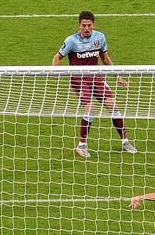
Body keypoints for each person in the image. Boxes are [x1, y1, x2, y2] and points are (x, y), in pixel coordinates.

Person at [52, 10, 137, 158]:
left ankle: (125, 142)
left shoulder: (100, 37)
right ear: (79, 25)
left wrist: (118, 75)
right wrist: (55, 71)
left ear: (93, 25)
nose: (86, 28)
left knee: (112, 104)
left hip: (95, 77)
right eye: (83, 25)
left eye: (89, 25)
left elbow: (105, 57)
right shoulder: (71, 41)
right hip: (78, 79)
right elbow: (57, 57)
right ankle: (81, 145)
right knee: (91, 108)